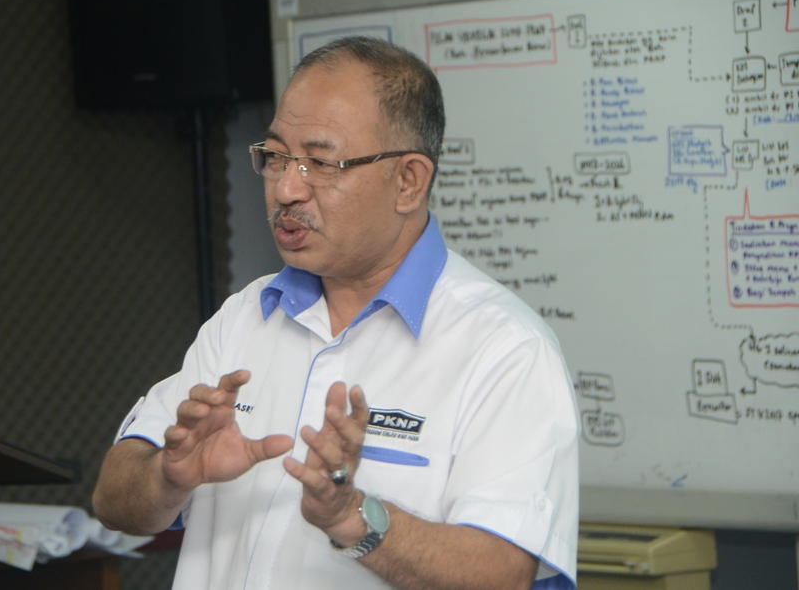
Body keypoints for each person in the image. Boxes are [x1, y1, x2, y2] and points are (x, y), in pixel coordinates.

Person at [93, 36, 579, 590]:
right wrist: (168, 477)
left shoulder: (505, 348)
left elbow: (503, 575)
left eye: (321, 163)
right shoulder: (243, 317)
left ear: (408, 182)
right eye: (277, 157)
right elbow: (112, 499)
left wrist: (352, 519)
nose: (286, 188)